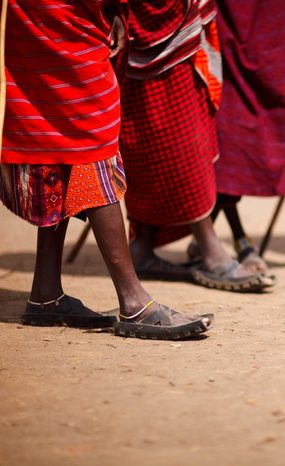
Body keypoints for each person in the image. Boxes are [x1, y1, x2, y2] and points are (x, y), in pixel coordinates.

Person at [1, 0, 212, 339]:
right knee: (89, 133)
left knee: (60, 133)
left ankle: (45, 293)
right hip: (59, 16)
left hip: (46, 16)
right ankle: (134, 302)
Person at [119, 0, 273, 292]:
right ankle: (211, 250)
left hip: (178, 23)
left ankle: (144, 243)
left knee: (166, 135)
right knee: (174, 140)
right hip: (145, 21)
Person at [186, 0, 285, 274]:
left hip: (269, 16)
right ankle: (236, 238)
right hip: (220, 14)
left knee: (279, 106)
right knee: (227, 129)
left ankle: (210, 238)